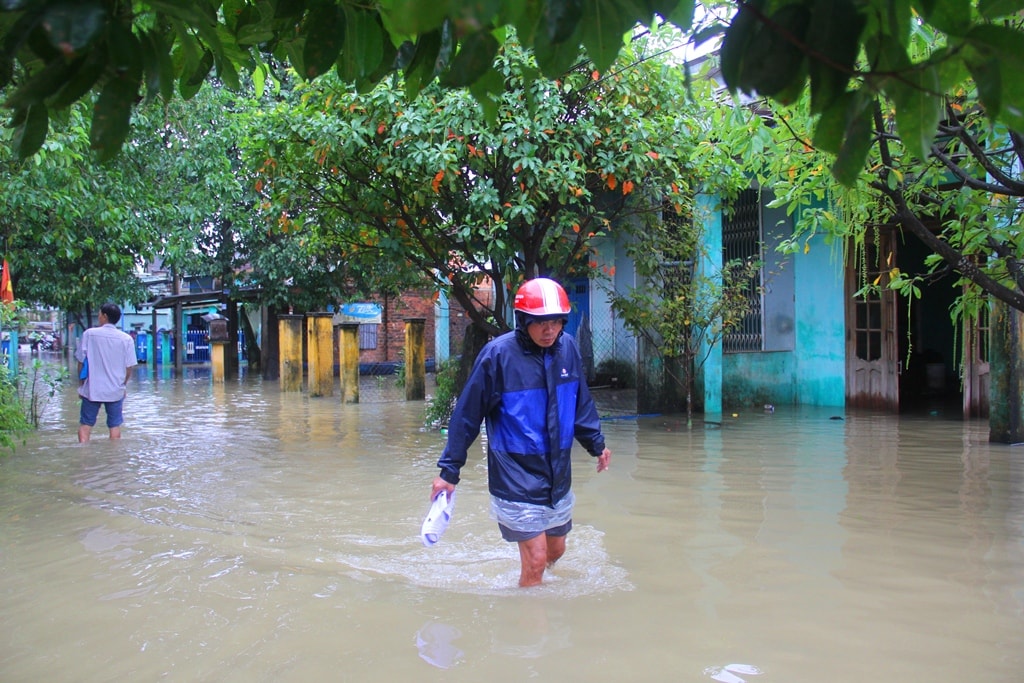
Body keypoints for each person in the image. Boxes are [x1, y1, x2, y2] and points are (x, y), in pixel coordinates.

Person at [431, 277, 612, 587]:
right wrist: (449, 472)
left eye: (556, 322)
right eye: (541, 323)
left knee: (556, 551)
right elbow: (467, 416)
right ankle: (529, 627)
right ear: (524, 320)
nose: (549, 330)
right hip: (514, 475)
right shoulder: (498, 356)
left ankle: (531, 584)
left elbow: (580, 401)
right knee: (538, 559)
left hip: (557, 474)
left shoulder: (567, 348)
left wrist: (596, 444)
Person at [75, 303, 137, 442]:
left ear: (105, 316)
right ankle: (114, 459)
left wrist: (81, 384)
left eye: (99, 315)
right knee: (114, 426)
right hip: (115, 390)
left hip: (92, 388)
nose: (98, 317)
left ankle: (83, 457)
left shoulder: (89, 334)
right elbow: (129, 368)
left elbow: (80, 361)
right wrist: (123, 385)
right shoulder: (126, 339)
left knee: (85, 425)